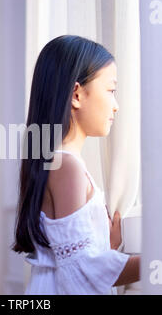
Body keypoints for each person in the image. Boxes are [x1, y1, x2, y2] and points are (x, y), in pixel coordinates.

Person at [11, 35, 140, 295]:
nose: (116, 106)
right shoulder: (66, 167)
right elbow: (81, 272)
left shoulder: (58, 162)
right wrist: (160, 260)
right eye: (111, 90)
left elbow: (73, 259)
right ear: (77, 94)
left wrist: (107, 247)